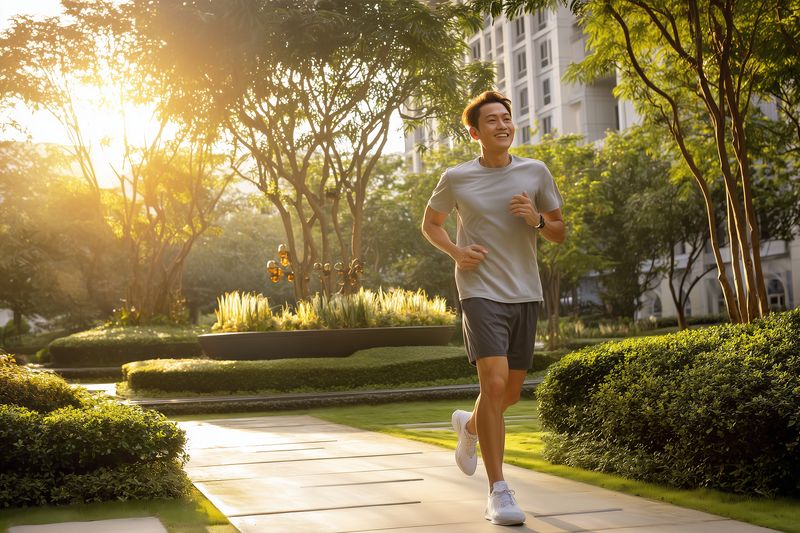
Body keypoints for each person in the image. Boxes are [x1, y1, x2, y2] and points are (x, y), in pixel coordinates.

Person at [421, 91, 565, 526]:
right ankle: (498, 492)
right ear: (474, 132)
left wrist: (535, 220)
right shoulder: (457, 178)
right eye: (492, 121)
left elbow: (558, 231)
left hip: (524, 291)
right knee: (495, 381)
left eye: (507, 118)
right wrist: (455, 251)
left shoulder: (535, 172)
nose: (503, 125)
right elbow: (431, 223)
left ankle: (469, 427)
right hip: (479, 289)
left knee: (510, 394)